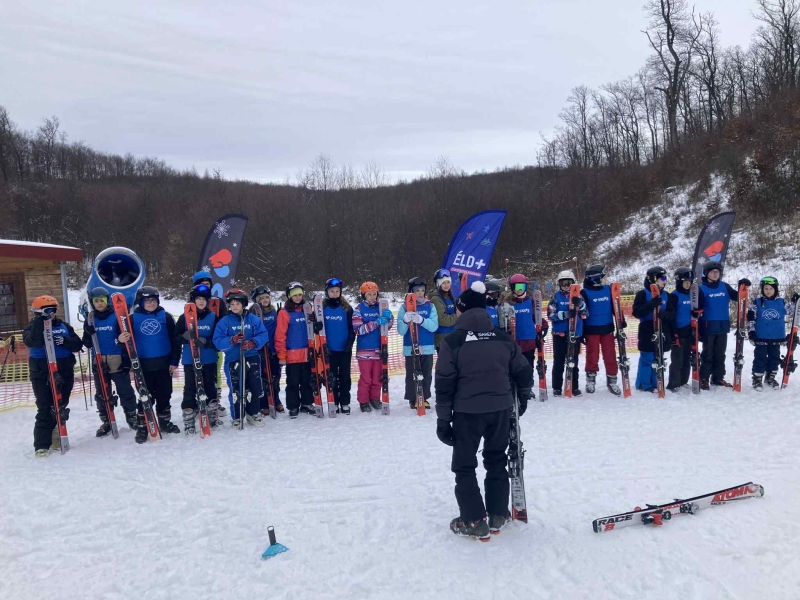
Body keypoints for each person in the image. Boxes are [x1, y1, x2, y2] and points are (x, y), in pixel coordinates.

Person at [434, 281, 534, 540]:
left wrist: (443, 422)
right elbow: (523, 371)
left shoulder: (453, 341)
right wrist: (522, 399)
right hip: (500, 409)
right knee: (496, 459)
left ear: (462, 310)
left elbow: (444, 385)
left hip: (467, 412)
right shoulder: (502, 337)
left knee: (464, 465)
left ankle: (474, 519)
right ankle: (498, 513)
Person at [118, 286, 182, 442]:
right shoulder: (132, 319)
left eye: (154, 300)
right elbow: (124, 344)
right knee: (145, 397)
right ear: (141, 302)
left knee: (164, 395)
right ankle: (143, 426)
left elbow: (175, 341)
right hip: (143, 365)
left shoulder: (165, 317)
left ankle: (164, 421)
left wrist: (174, 360)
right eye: (147, 300)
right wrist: (120, 341)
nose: (151, 303)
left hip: (164, 364)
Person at [24, 296, 83, 457]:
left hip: (64, 369)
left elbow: (77, 344)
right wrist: (40, 325)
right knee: (45, 406)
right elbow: (33, 342)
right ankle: (42, 444)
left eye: (53, 310)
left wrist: (64, 341)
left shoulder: (64, 326)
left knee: (61, 404)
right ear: (38, 312)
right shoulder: (31, 327)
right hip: (41, 372)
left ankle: (57, 435)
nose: (51, 314)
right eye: (47, 310)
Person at [81, 286, 138, 436]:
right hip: (98, 359)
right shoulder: (90, 318)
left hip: (117, 358)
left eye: (102, 300)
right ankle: (106, 420)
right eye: (96, 301)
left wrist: (120, 342)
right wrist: (88, 332)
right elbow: (86, 343)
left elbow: (126, 337)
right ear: (93, 302)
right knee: (102, 392)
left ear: (107, 301)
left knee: (124, 389)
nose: (99, 303)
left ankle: (132, 416)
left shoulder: (116, 316)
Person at [212, 288, 268, 427]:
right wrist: (232, 340)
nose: (235, 306)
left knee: (254, 387)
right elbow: (217, 341)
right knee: (237, 389)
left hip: (252, 357)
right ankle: (237, 416)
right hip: (233, 359)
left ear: (243, 304)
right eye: (232, 304)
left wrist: (253, 342)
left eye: (238, 303)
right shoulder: (225, 321)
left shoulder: (253, 319)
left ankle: (252, 413)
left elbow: (263, 334)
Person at [173, 284, 224, 433]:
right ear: (193, 300)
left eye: (204, 299)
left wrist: (207, 342)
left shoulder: (213, 317)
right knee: (190, 388)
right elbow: (175, 338)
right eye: (198, 299)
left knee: (210, 386)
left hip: (208, 359)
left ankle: (212, 416)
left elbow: (219, 340)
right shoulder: (184, 317)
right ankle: (189, 420)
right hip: (190, 360)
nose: (201, 301)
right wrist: (183, 337)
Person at [697, 260, 749, 389]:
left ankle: (718, 378)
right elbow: (696, 308)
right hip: (708, 326)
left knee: (720, 354)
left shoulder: (725, 286)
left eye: (718, 272)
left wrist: (743, 286)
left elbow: (738, 297)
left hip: (722, 326)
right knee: (708, 354)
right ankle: (704, 378)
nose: (716, 274)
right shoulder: (701, 288)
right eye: (713, 272)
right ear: (706, 273)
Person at [747, 277, 799, 391]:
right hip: (761, 337)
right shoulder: (756, 302)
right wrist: (751, 332)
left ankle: (770, 377)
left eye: (771, 288)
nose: (768, 291)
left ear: (775, 289)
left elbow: (793, 312)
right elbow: (751, 318)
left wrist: (795, 302)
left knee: (774, 358)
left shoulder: (781, 302)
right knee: (760, 358)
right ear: (762, 289)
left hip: (777, 337)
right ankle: (757, 379)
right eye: (766, 288)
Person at [274, 282, 316, 418]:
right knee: (292, 382)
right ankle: (293, 406)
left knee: (307, 381)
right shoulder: (284, 313)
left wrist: (315, 322)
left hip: (307, 353)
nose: (298, 297)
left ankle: (307, 403)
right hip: (292, 354)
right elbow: (280, 335)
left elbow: (313, 330)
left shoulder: (308, 309)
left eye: (300, 294)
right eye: (295, 295)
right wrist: (281, 354)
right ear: (289, 296)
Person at [503, 273, 549, 398]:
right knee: (513, 365)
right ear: (512, 287)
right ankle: (514, 387)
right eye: (517, 287)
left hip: (529, 340)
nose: (519, 289)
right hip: (514, 340)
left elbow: (537, 316)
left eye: (522, 287)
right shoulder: (508, 303)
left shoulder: (531, 301)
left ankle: (527, 388)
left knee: (528, 365)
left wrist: (544, 327)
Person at [579, 265, 622, 396]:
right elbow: (582, 313)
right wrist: (580, 331)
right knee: (592, 355)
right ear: (595, 278)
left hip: (607, 329)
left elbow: (615, 307)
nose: (605, 279)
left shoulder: (608, 290)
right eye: (603, 276)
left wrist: (621, 321)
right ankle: (591, 379)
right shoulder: (585, 292)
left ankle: (612, 379)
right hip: (591, 330)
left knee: (610, 355)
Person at [397, 277, 438, 409]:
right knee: (412, 373)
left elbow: (434, 326)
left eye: (422, 290)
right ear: (411, 292)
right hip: (410, 346)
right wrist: (405, 321)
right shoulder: (404, 307)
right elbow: (401, 331)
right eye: (417, 291)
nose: (420, 293)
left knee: (426, 374)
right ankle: (412, 398)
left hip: (426, 347)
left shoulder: (430, 306)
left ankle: (424, 397)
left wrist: (422, 320)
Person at [352, 281, 394, 412]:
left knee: (377, 377)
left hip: (379, 349)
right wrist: (376, 322)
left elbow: (387, 327)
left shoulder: (380, 307)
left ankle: (375, 398)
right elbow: (358, 329)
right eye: (369, 294)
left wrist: (389, 319)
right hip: (364, 350)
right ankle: (363, 401)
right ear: (364, 295)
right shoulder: (359, 309)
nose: (372, 297)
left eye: (374, 294)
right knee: (366, 379)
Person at [632, 267, 675, 393]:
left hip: (662, 328)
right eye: (662, 278)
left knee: (658, 358)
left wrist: (664, 315)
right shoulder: (643, 294)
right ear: (653, 279)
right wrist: (650, 305)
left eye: (665, 278)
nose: (664, 281)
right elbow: (637, 312)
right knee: (647, 357)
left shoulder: (667, 295)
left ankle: (655, 382)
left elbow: (672, 314)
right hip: (647, 329)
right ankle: (644, 384)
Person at [547, 270, 586, 396]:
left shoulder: (579, 296)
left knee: (573, 361)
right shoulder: (555, 296)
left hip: (575, 334)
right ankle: (557, 387)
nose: (566, 285)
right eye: (563, 282)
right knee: (559, 361)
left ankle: (574, 386)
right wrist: (563, 315)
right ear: (559, 284)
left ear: (573, 283)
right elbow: (550, 314)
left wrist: (581, 306)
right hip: (560, 334)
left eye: (568, 282)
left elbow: (586, 315)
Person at [321, 278, 355, 414]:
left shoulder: (346, 309)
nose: (334, 294)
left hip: (344, 349)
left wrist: (350, 343)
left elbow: (352, 328)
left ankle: (345, 402)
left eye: (337, 291)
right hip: (330, 350)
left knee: (345, 376)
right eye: (331, 291)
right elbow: (318, 329)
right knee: (332, 377)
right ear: (327, 292)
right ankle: (334, 401)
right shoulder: (322, 308)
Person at [250, 285, 285, 414]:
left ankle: (276, 400)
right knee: (262, 377)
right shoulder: (251, 314)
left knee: (275, 376)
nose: (265, 300)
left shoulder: (274, 312)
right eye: (261, 298)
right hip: (259, 350)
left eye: (267, 297)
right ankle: (263, 402)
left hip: (273, 349)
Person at [666, 267, 694, 393]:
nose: (688, 284)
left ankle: (683, 381)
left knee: (687, 358)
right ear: (679, 281)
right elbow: (671, 318)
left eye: (690, 281)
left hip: (689, 331)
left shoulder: (692, 295)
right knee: (677, 360)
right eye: (685, 281)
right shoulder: (674, 296)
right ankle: (673, 384)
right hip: (677, 331)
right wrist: (673, 334)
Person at [429, 269, 458, 353]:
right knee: (446, 365)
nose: (446, 285)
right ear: (438, 284)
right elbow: (442, 320)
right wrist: (459, 316)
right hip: (442, 339)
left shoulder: (451, 297)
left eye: (448, 282)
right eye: (443, 283)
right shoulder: (436, 299)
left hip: (453, 336)